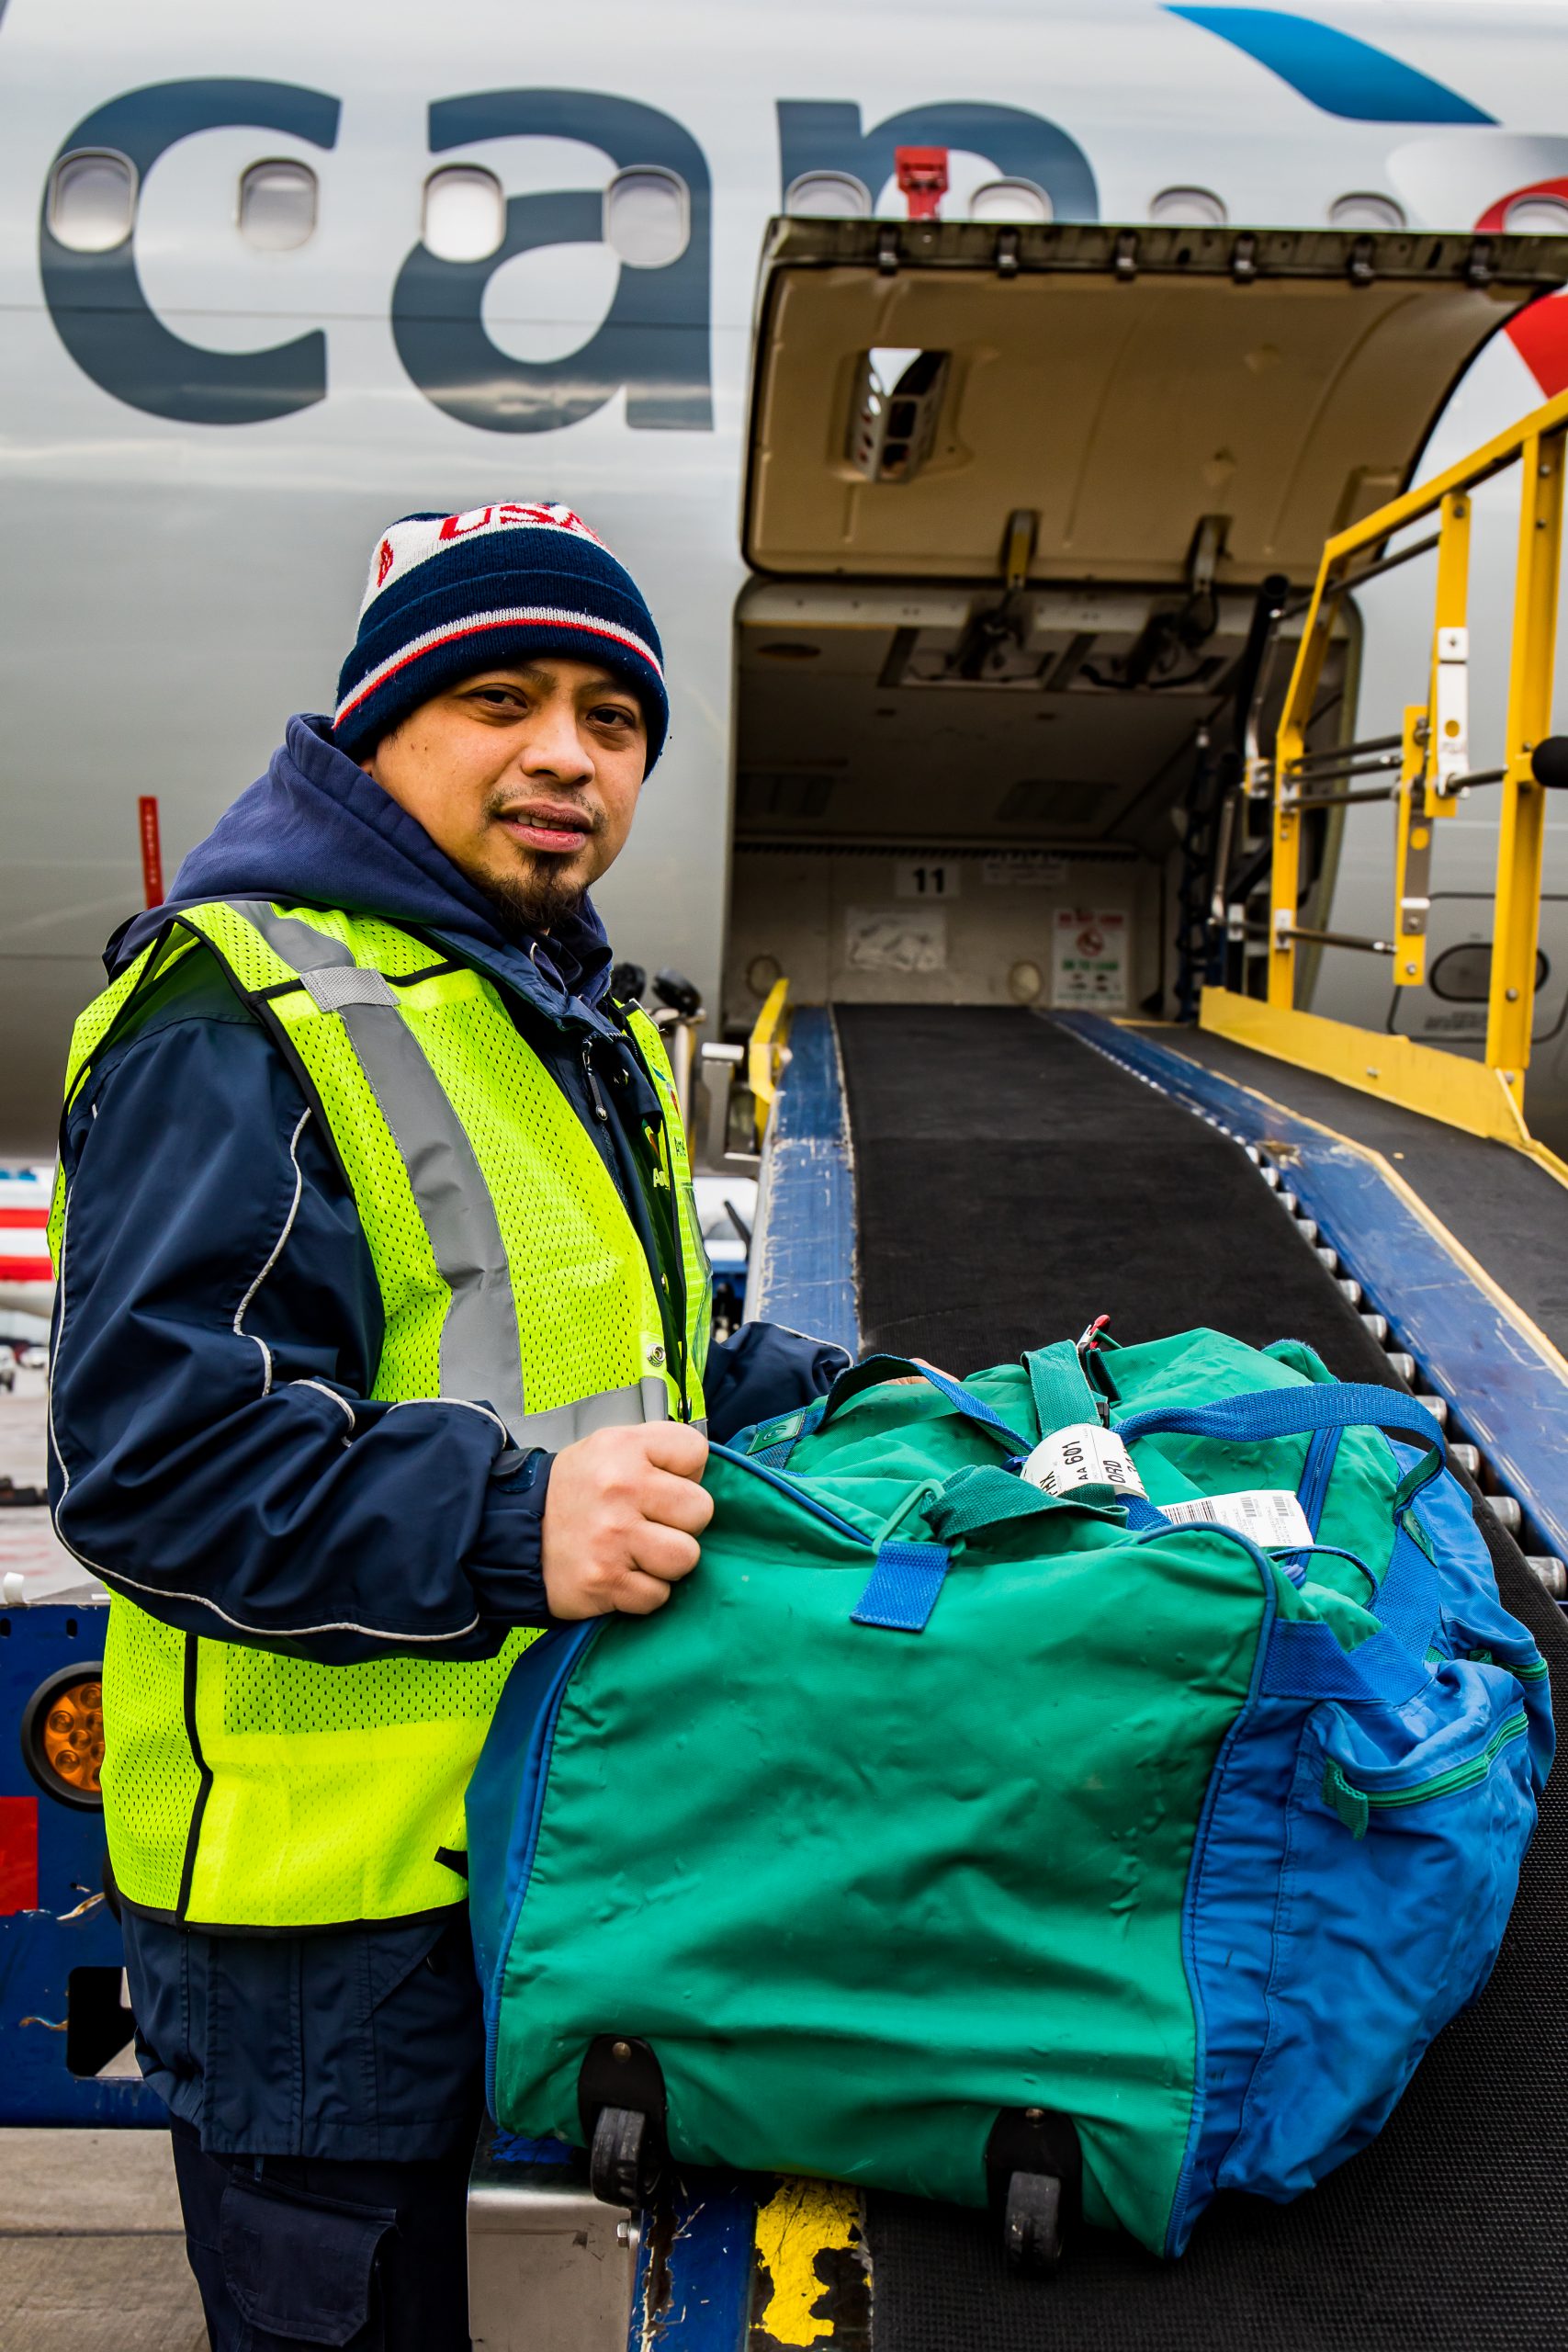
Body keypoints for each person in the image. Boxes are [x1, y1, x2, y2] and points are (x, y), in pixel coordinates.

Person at [46, 503, 849, 2350]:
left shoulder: (540, 1005)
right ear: (377, 729)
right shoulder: (236, 1012)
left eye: (614, 718)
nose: (568, 753)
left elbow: (618, 1357)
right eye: (501, 698)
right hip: (313, 1923)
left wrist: (851, 1397)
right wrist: (515, 1526)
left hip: (533, 1829)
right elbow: (156, 1460)